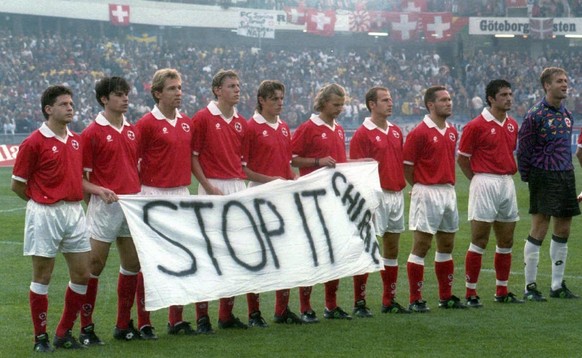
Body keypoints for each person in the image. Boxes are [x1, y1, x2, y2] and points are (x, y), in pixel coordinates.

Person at [11, 85, 90, 351]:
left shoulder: (77, 140)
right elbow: (18, 184)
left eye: (71, 104)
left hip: (75, 211)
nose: (70, 108)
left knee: (82, 274)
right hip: (45, 213)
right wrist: (41, 201)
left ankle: (64, 332)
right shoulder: (33, 142)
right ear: (49, 109)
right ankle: (40, 337)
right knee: (42, 276)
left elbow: (78, 178)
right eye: (64, 104)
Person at [78, 77, 146, 345]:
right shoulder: (91, 133)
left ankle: (123, 324)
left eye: (126, 94)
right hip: (105, 206)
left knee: (132, 265)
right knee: (94, 266)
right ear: (104, 99)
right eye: (119, 95)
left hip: (131, 204)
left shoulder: (132, 130)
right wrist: (98, 194)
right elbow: (81, 179)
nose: (125, 99)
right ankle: (86, 327)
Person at [191, 69, 255, 330]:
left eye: (239, 85)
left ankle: (226, 314)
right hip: (212, 187)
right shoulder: (203, 118)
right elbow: (193, 157)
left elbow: (243, 162)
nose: (237, 89)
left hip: (236, 187)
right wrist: (207, 186)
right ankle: (202, 317)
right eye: (231, 86)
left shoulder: (242, 122)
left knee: (235, 253)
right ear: (218, 90)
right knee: (209, 254)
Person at [135, 68, 196, 336]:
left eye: (180, 88)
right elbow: (132, 162)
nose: (178, 93)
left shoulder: (186, 122)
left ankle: (176, 319)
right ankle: (144, 321)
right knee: (148, 262)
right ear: (158, 93)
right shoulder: (146, 124)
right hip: (153, 195)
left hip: (181, 194)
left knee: (181, 259)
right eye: (172, 88)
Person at [458, 79, 524, 307]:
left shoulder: (512, 124)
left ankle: (502, 290)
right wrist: (477, 179)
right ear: (491, 99)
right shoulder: (475, 126)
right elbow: (463, 159)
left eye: (510, 94)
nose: (509, 98)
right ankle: (471, 293)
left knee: (506, 239)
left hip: (507, 182)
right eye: (504, 95)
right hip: (484, 181)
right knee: (479, 239)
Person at [291, 83, 353, 323]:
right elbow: (293, 159)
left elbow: (339, 163)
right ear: (323, 103)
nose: (339, 109)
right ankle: (305, 307)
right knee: (312, 252)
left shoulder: (338, 129)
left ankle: (331, 305)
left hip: (334, 199)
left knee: (335, 252)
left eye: (342, 105)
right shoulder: (308, 128)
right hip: (312, 199)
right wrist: (317, 161)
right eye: (336, 105)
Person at [241, 79, 303, 325]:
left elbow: (287, 164)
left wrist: (292, 178)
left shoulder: (285, 127)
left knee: (285, 253)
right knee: (256, 255)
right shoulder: (251, 127)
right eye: (274, 99)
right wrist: (272, 180)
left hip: (281, 196)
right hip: (258, 195)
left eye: (281, 99)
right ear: (261, 100)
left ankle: (282, 310)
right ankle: (254, 312)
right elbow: (244, 170)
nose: (279, 103)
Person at [517, 67, 580, 301]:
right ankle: (530, 287)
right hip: (543, 175)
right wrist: (528, 177)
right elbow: (523, 150)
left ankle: (556, 285)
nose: (565, 84)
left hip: (565, 174)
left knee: (563, 228)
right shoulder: (535, 115)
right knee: (540, 227)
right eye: (559, 81)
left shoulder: (567, 114)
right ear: (547, 85)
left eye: (566, 80)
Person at [402, 85, 466, 312]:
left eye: (449, 99)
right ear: (431, 104)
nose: (449, 103)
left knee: (447, 244)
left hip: (448, 191)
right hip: (427, 191)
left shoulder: (451, 131)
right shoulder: (419, 132)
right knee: (421, 245)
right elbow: (407, 167)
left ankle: (445, 296)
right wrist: (419, 186)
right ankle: (415, 298)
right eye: (443, 100)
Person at [349, 87, 411, 315]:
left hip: (396, 194)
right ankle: (359, 303)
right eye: (385, 100)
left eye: (391, 99)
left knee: (392, 249)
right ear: (371, 104)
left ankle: (389, 300)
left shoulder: (395, 131)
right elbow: (355, 171)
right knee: (367, 249)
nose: (390, 103)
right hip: (374, 196)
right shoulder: (362, 134)